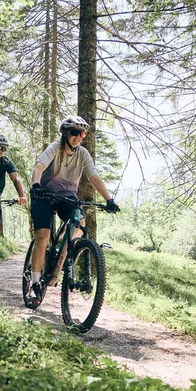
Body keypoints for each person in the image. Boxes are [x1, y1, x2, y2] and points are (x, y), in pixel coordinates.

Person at [26, 115, 119, 298]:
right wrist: (36, 185)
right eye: (74, 132)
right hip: (43, 195)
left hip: (67, 197)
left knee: (80, 225)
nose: (78, 136)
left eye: (82, 133)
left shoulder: (83, 153)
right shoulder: (55, 148)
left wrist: (109, 199)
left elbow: (93, 178)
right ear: (65, 133)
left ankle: (60, 262)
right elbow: (39, 167)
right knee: (43, 236)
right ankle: (35, 283)